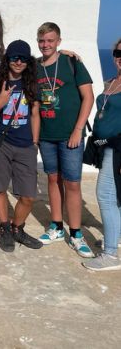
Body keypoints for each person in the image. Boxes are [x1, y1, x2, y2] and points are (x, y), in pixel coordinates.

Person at [36, 22, 94, 258]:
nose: (46, 45)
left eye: (50, 40)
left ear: (58, 41)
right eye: (42, 41)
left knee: (72, 183)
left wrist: (78, 130)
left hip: (71, 135)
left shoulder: (72, 62)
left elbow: (88, 97)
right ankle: (57, 227)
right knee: (53, 179)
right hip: (46, 135)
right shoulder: (35, 67)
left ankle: (77, 234)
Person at [0, 40, 42, 252]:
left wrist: (34, 142)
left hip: (26, 145)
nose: (18, 62)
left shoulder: (32, 84)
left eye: (23, 58)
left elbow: (35, 114)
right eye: (14, 58)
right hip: (1, 143)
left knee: (28, 196)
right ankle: (5, 228)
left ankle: (17, 228)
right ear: (7, 59)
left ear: (28, 61)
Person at [82, 38, 121, 271]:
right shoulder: (112, 81)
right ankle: (116, 236)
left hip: (118, 149)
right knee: (115, 196)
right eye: (118, 53)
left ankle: (110, 255)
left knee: (105, 195)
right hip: (104, 147)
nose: (120, 58)